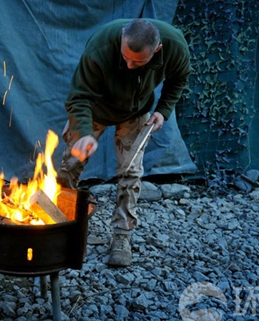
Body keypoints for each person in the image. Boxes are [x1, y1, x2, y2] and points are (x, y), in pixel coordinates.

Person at [57, 18, 191, 267]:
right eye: (125, 57)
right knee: (71, 164)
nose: (130, 66)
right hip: (94, 110)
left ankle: (121, 235)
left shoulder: (174, 45)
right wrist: (84, 133)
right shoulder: (99, 47)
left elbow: (180, 77)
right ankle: (61, 224)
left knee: (131, 172)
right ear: (121, 39)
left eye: (138, 62)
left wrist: (163, 110)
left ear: (158, 50)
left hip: (135, 112)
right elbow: (78, 97)